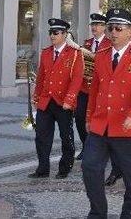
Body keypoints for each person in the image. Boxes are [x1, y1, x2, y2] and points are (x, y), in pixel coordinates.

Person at [81, 8, 131, 219]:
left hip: (126, 126)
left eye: (118, 28)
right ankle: (97, 213)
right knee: (90, 168)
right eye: (110, 27)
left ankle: (128, 213)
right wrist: (88, 117)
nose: (112, 32)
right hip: (101, 124)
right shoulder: (102, 54)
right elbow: (95, 89)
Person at [30, 18, 84, 179]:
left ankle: (64, 168)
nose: (52, 36)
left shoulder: (74, 54)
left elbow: (77, 79)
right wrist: (36, 97)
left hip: (63, 102)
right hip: (46, 100)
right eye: (50, 33)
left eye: (56, 33)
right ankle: (43, 168)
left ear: (65, 34)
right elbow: (41, 77)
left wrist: (70, 99)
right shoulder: (46, 52)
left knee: (66, 137)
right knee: (41, 136)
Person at [76, 13, 111, 160]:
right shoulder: (87, 43)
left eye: (97, 25)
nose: (94, 27)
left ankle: (101, 149)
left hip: (101, 89)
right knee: (80, 118)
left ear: (104, 27)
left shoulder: (110, 44)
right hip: (85, 88)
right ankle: (86, 145)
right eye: (93, 25)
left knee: (100, 120)